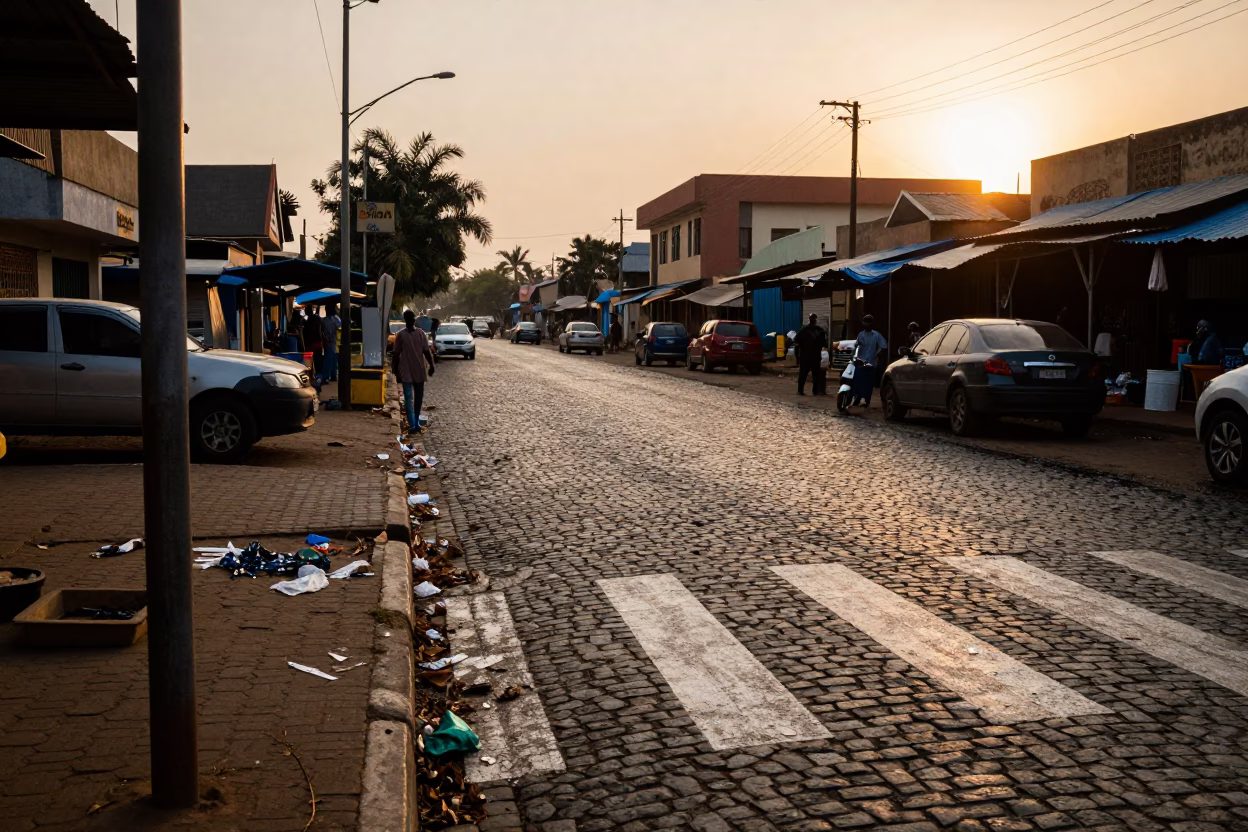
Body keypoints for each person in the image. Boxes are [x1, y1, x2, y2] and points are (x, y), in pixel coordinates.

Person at [392, 309, 435, 435]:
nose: (411, 320)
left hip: (419, 369)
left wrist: (431, 365)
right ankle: (412, 424)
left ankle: (416, 421)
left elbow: (426, 351)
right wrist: (395, 371)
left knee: (418, 399)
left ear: (414, 319)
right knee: (408, 398)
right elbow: (396, 354)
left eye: (412, 318)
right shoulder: (400, 335)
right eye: (409, 318)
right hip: (406, 369)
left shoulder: (421, 333)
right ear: (405, 320)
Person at [850, 314, 888, 407]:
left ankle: (867, 400)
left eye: (869, 321)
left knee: (868, 383)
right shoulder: (861, 335)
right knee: (858, 382)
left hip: (871, 363)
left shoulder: (876, 335)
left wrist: (878, 354)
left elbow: (884, 346)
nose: (867, 324)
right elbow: (856, 347)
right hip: (860, 362)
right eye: (866, 321)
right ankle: (857, 399)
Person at [794, 313, 828, 396]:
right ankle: (811, 391)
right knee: (810, 374)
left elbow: (796, 341)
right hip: (811, 356)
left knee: (807, 374)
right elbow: (824, 343)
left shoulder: (808, 330)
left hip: (809, 356)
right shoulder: (817, 330)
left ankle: (803, 390)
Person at [302, 307, 324, 390]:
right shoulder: (318, 319)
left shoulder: (306, 321)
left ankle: (311, 377)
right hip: (317, 343)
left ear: (307, 311)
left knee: (308, 363)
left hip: (309, 345)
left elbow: (304, 332)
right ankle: (318, 378)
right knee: (318, 361)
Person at [322, 303, 341, 383]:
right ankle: (330, 376)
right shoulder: (334, 319)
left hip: (331, 342)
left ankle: (329, 376)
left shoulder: (326, 320)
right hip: (331, 342)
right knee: (331, 359)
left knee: (330, 359)